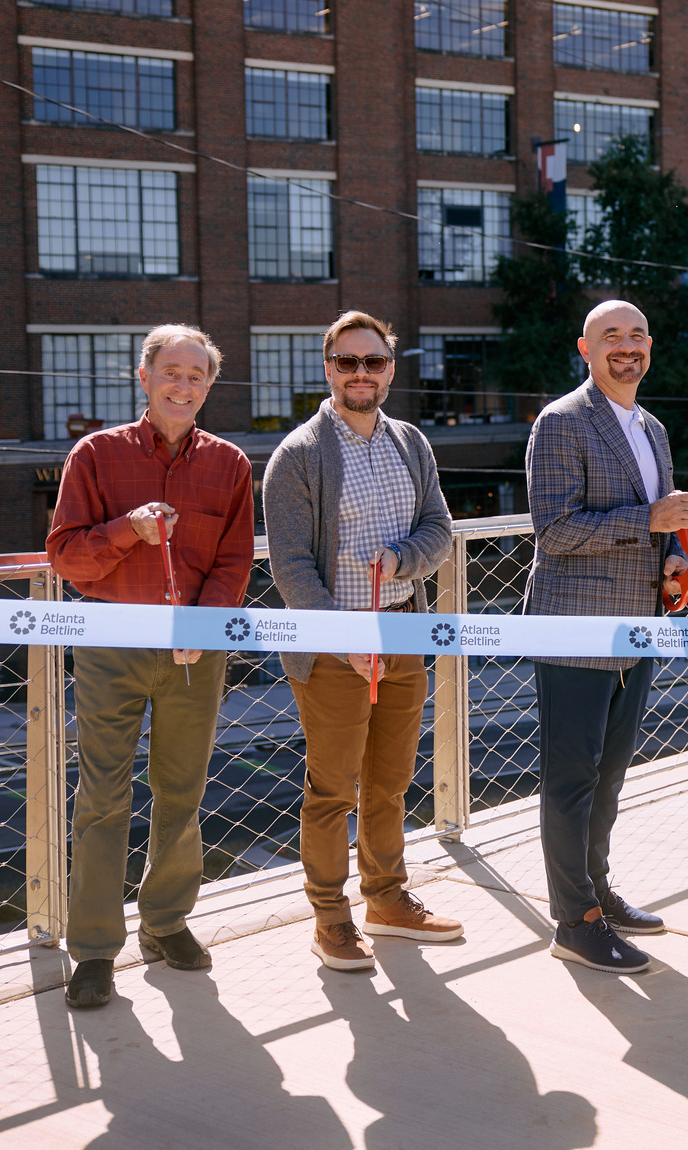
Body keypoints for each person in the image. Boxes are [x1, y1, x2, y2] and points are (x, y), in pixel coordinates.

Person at [46, 324, 255, 1009]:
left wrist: (205, 622)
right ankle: (94, 950)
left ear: (209, 385)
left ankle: (165, 922)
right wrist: (127, 531)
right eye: (171, 372)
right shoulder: (95, 455)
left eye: (197, 375)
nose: (183, 386)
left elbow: (233, 561)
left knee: (183, 792)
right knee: (102, 799)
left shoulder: (230, 463)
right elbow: (66, 558)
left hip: (195, 651)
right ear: (144, 377)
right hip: (111, 644)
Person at [264, 310, 463, 973]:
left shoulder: (411, 442)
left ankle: (386, 899)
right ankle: (330, 919)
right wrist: (343, 636)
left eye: (372, 361)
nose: (360, 373)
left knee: (390, 783)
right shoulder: (298, 455)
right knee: (332, 791)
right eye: (347, 362)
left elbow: (439, 528)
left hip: (401, 629)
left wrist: (403, 558)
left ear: (389, 370)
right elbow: (291, 566)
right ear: (328, 369)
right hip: (331, 647)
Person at [525, 299, 688, 975]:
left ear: (650, 346)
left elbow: (659, 525)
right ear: (586, 349)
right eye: (611, 336)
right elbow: (554, 531)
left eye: (637, 336)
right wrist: (647, 521)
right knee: (571, 781)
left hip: (638, 628)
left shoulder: (652, 427)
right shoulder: (562, 421)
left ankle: (596, 894)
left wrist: (672, 558)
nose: (627, 346)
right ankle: (574, 922)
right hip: (575, 628)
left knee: (611, 777)